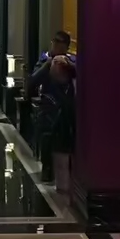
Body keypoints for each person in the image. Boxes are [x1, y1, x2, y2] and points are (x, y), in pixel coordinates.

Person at [28, 51, 76, 187]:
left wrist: (70, 65)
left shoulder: (72, 63)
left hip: (67, 115)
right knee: (48, 133)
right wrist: (47, 65)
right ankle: (48, 168)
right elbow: (32, 82)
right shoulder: (45, 60)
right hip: (49, 113)